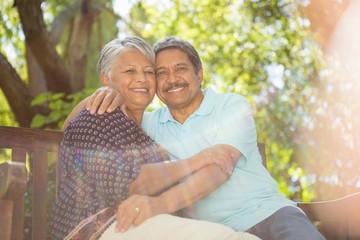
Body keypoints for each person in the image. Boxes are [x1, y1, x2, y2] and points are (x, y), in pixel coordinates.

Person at [68, 36, 326, 240]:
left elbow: (218, 170)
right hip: (211, 230)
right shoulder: (149, 123)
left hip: (271, 215)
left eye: (180, 69)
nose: (171, 79)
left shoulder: (230, 106)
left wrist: (158, 205)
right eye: (160, 73)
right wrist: (105, 93)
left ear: (199, 74)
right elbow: (71, 128)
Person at [49, 36, 259, 240]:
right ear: (106, 79)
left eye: (149, 72)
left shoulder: (144, 129)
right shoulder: (99, 116)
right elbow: (129, 182)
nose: (142, 78)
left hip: (138, 222)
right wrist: (198, 159)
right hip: (96, 228)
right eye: (130, 71)